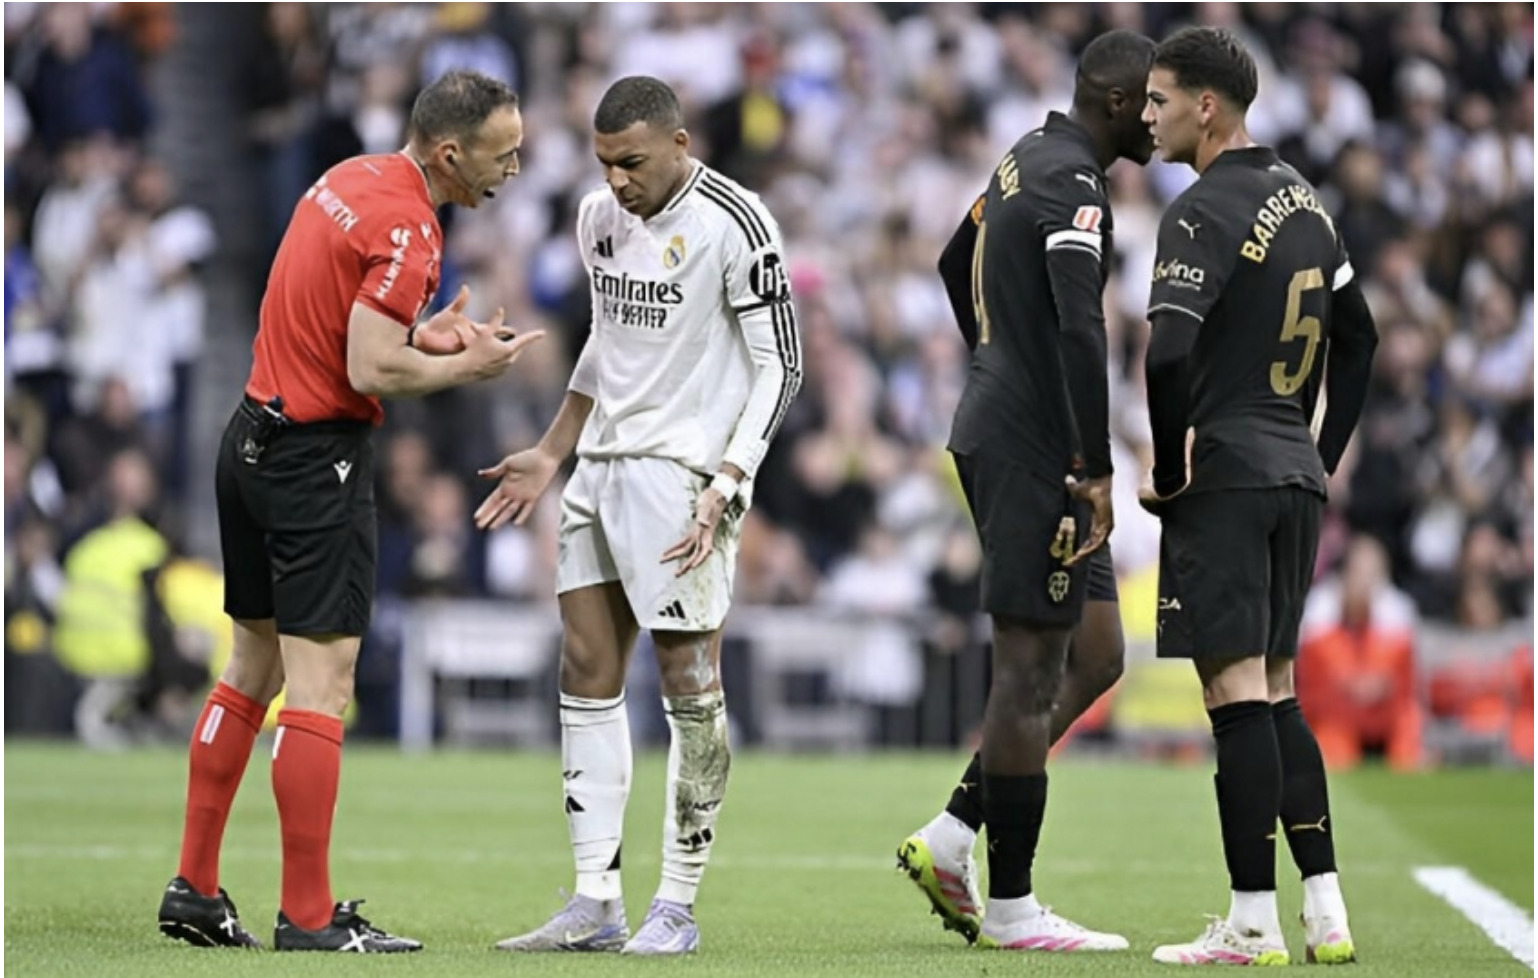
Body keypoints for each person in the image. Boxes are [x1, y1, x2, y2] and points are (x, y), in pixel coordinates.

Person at [156, 69, 543, 954]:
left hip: (250, 436)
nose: (514, 168)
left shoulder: (348, 179)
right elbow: (370, 371)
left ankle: (196, 887)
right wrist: (464, 368)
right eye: (503, 153)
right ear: (451, 154)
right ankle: (311, 917)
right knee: (322, 687)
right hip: (312, 462)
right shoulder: (413, 226)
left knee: (250, 669)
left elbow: (340, 326)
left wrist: (426, 338)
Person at [475, 75, 801, 956]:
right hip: (599, 468)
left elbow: (782, 366)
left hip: (683, 473)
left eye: (632, 163)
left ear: (679, 145)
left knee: (689, 680)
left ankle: (678, 907)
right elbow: (607, 344)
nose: (616, 181)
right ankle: (595, 900)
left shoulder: (738, 222)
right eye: (604, 163)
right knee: (585, 664)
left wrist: (729, 479)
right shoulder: (597, 221)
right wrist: (552, 450)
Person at [895, 30, 1157, 954]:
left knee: (1095, 652)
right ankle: (1011, 909)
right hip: (1035, 449)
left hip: (1011, 423)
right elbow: (1084, 330)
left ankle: (954, 833)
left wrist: (995, 357)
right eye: (1154, 105)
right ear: (1121, 104)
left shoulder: (1025, 158)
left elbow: (948, 261)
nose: (1162, 125)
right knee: (1027, 672)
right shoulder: (1071, 185)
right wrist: (1092, 464)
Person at [1138, 27, 1377, 966]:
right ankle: (1326, 912)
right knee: (1279, 693)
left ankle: (1250, 922)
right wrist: (1321, 452)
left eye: (1158, 100)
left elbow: (1164, 352)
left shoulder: (1200, 210)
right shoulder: (1305, 202)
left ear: (1207, 106)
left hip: (1228, 475)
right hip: (1293, 475)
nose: (1146, 117)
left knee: (1233, 695)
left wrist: (1166, 468)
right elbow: (1358, 342)